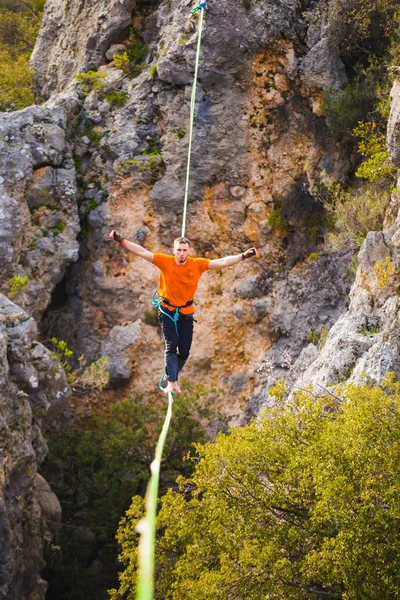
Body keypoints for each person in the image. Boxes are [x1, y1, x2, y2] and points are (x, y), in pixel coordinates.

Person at [109, 230, 257, 394]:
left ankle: (170, 375)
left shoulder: (197, 264)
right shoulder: (165, 261)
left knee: (184, 351)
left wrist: (243, 256)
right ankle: (172, 381)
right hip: (167, 310)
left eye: (184, 250)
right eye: (178, 250)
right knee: (171, 346)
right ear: (173, 251)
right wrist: (122, 240)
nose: (181, 253)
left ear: (189, 251)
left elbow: (222, 262)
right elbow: (142, 252)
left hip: (186, 311)